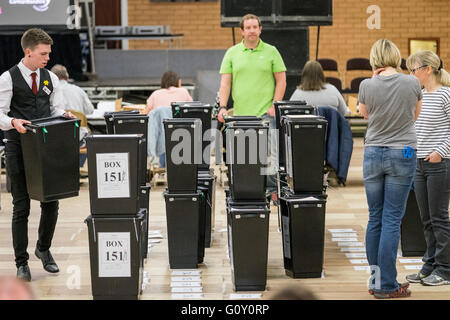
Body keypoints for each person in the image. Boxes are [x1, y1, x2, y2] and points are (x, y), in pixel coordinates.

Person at [0, 28, 75, 282]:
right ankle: (21, 262)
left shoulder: (50, 79)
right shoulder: (7, 78)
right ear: (28, 52)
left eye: (49, 54)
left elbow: (57, 109)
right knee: (20, 206)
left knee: (50, 202)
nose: (47, 58)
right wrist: (13, 122)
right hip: (18, 147)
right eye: (43, 54)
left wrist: (64, 116)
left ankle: (43, 248)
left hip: (46, 147)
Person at [358, 39, 422, 299]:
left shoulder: (366, 84)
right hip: (404, 151)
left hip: (373, 152)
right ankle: (387, 285)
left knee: (376, 218)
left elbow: (364, 113)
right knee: (392, 219)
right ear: (397, 57)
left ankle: (376, 282)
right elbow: (414, 116)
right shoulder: (412, 82)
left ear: (374, 59)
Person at [218, 13, 287, 195]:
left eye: (255, 27)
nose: (251, 31)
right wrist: (222, 107)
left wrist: (275, 105)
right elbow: (225, 83)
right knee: (244, 158)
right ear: (242, 31)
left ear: (260, 29)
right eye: (248, 28)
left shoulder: (271, 51)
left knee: (270, 156)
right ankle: (247, 191)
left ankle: (272, 192)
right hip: (241, 116)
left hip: (266, 113)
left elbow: (281, 81)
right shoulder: (232, 53)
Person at [405, 50, 450, 286]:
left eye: (414, 70)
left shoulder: (446, 95)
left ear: (428, 70)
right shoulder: (419, 95)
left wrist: (440, 151)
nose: (411, 75)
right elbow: (414, 130)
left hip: (440, 164)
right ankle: (430, 264)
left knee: (439, 218)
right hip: (419, 164)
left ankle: (445, 269)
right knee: (426, 219)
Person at [143, 71, 193, 168]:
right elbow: (190, 110)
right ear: (178, 82)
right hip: (181, 139)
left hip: (161, 142)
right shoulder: (184, 92)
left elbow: (146, 114)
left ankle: (161, 169)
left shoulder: (155, 94)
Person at [50, 64, 93, 166]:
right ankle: (78, 166)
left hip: (55, 137)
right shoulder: (78, 90)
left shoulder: (48, 91)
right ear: (68, 77)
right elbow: (90, 110)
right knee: (86, 134)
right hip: (77, 136)